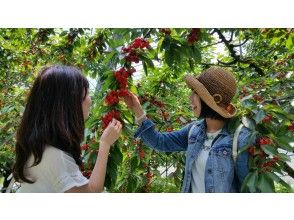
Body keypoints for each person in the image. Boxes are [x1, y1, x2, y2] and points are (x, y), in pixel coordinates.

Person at [123, 67, 252, 193]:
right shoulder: (194, 130)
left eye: (195, 93)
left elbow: (248, 190)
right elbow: (160, 142)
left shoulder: (240, 139)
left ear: (208, 100)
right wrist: (137, 109)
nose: (190, 98)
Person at [13, 65, 122, 193]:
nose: (90, 100)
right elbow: (91, 192)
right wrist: (105, 144)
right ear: (70, 102)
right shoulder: (55, 156)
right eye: (87, 93)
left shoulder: (36, 145)